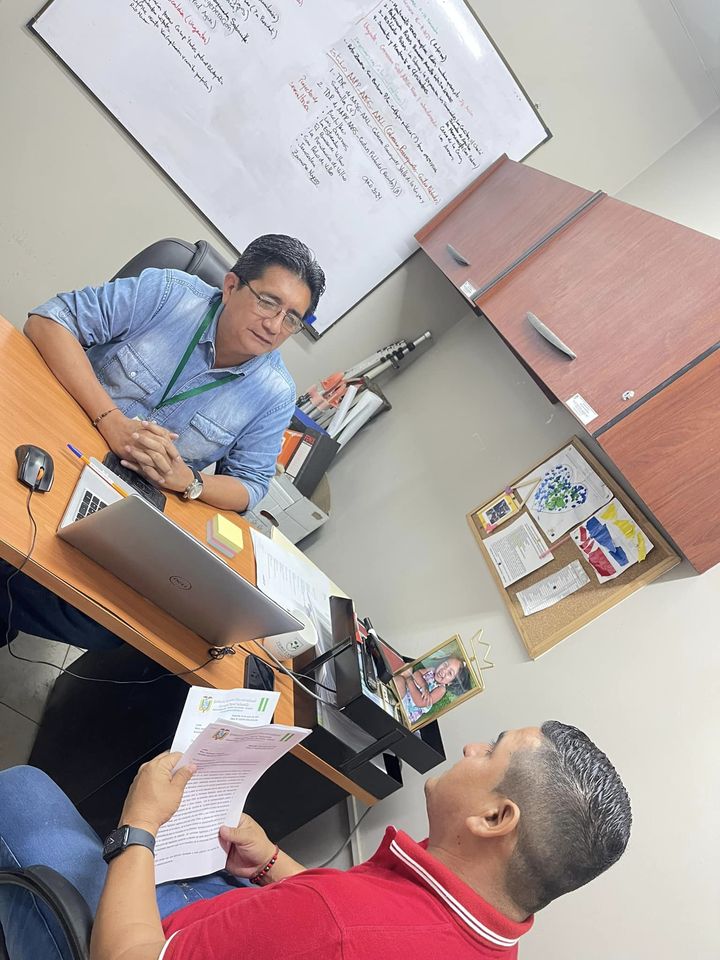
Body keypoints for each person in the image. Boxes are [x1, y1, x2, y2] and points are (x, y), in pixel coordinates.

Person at [0, 721, 632, 959]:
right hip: (267, 923)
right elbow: (351, 921)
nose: (470, 747)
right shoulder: (487, 935)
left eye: (490, 751)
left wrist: (139, 824)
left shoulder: (336, 925)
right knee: (209, 860)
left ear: (495, 818)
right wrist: (274, 862)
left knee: (24, 792)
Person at [0, 234, 325, 650]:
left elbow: (251, 486)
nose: (274, 326)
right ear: (231, 286)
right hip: (57, 438)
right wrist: (110, 420)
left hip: (123, 497)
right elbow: (49, 321)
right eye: (267, 302)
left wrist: (189, 480)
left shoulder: (274, 393)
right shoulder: (170, 292)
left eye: (292, 318)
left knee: (113, 625)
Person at [394, 654, 472, 724]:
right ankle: (392, 696)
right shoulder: (431, 670)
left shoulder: (441, 689)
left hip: (408, 709)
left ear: (451, 683)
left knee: (400, 680)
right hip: (406, 692)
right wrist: (424, 685)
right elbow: (416, 674)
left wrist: (410, 682)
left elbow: (420, 703)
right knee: (402, 676)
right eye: (445, 664)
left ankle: (395, 706)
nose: (444, 670)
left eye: (450, 673)